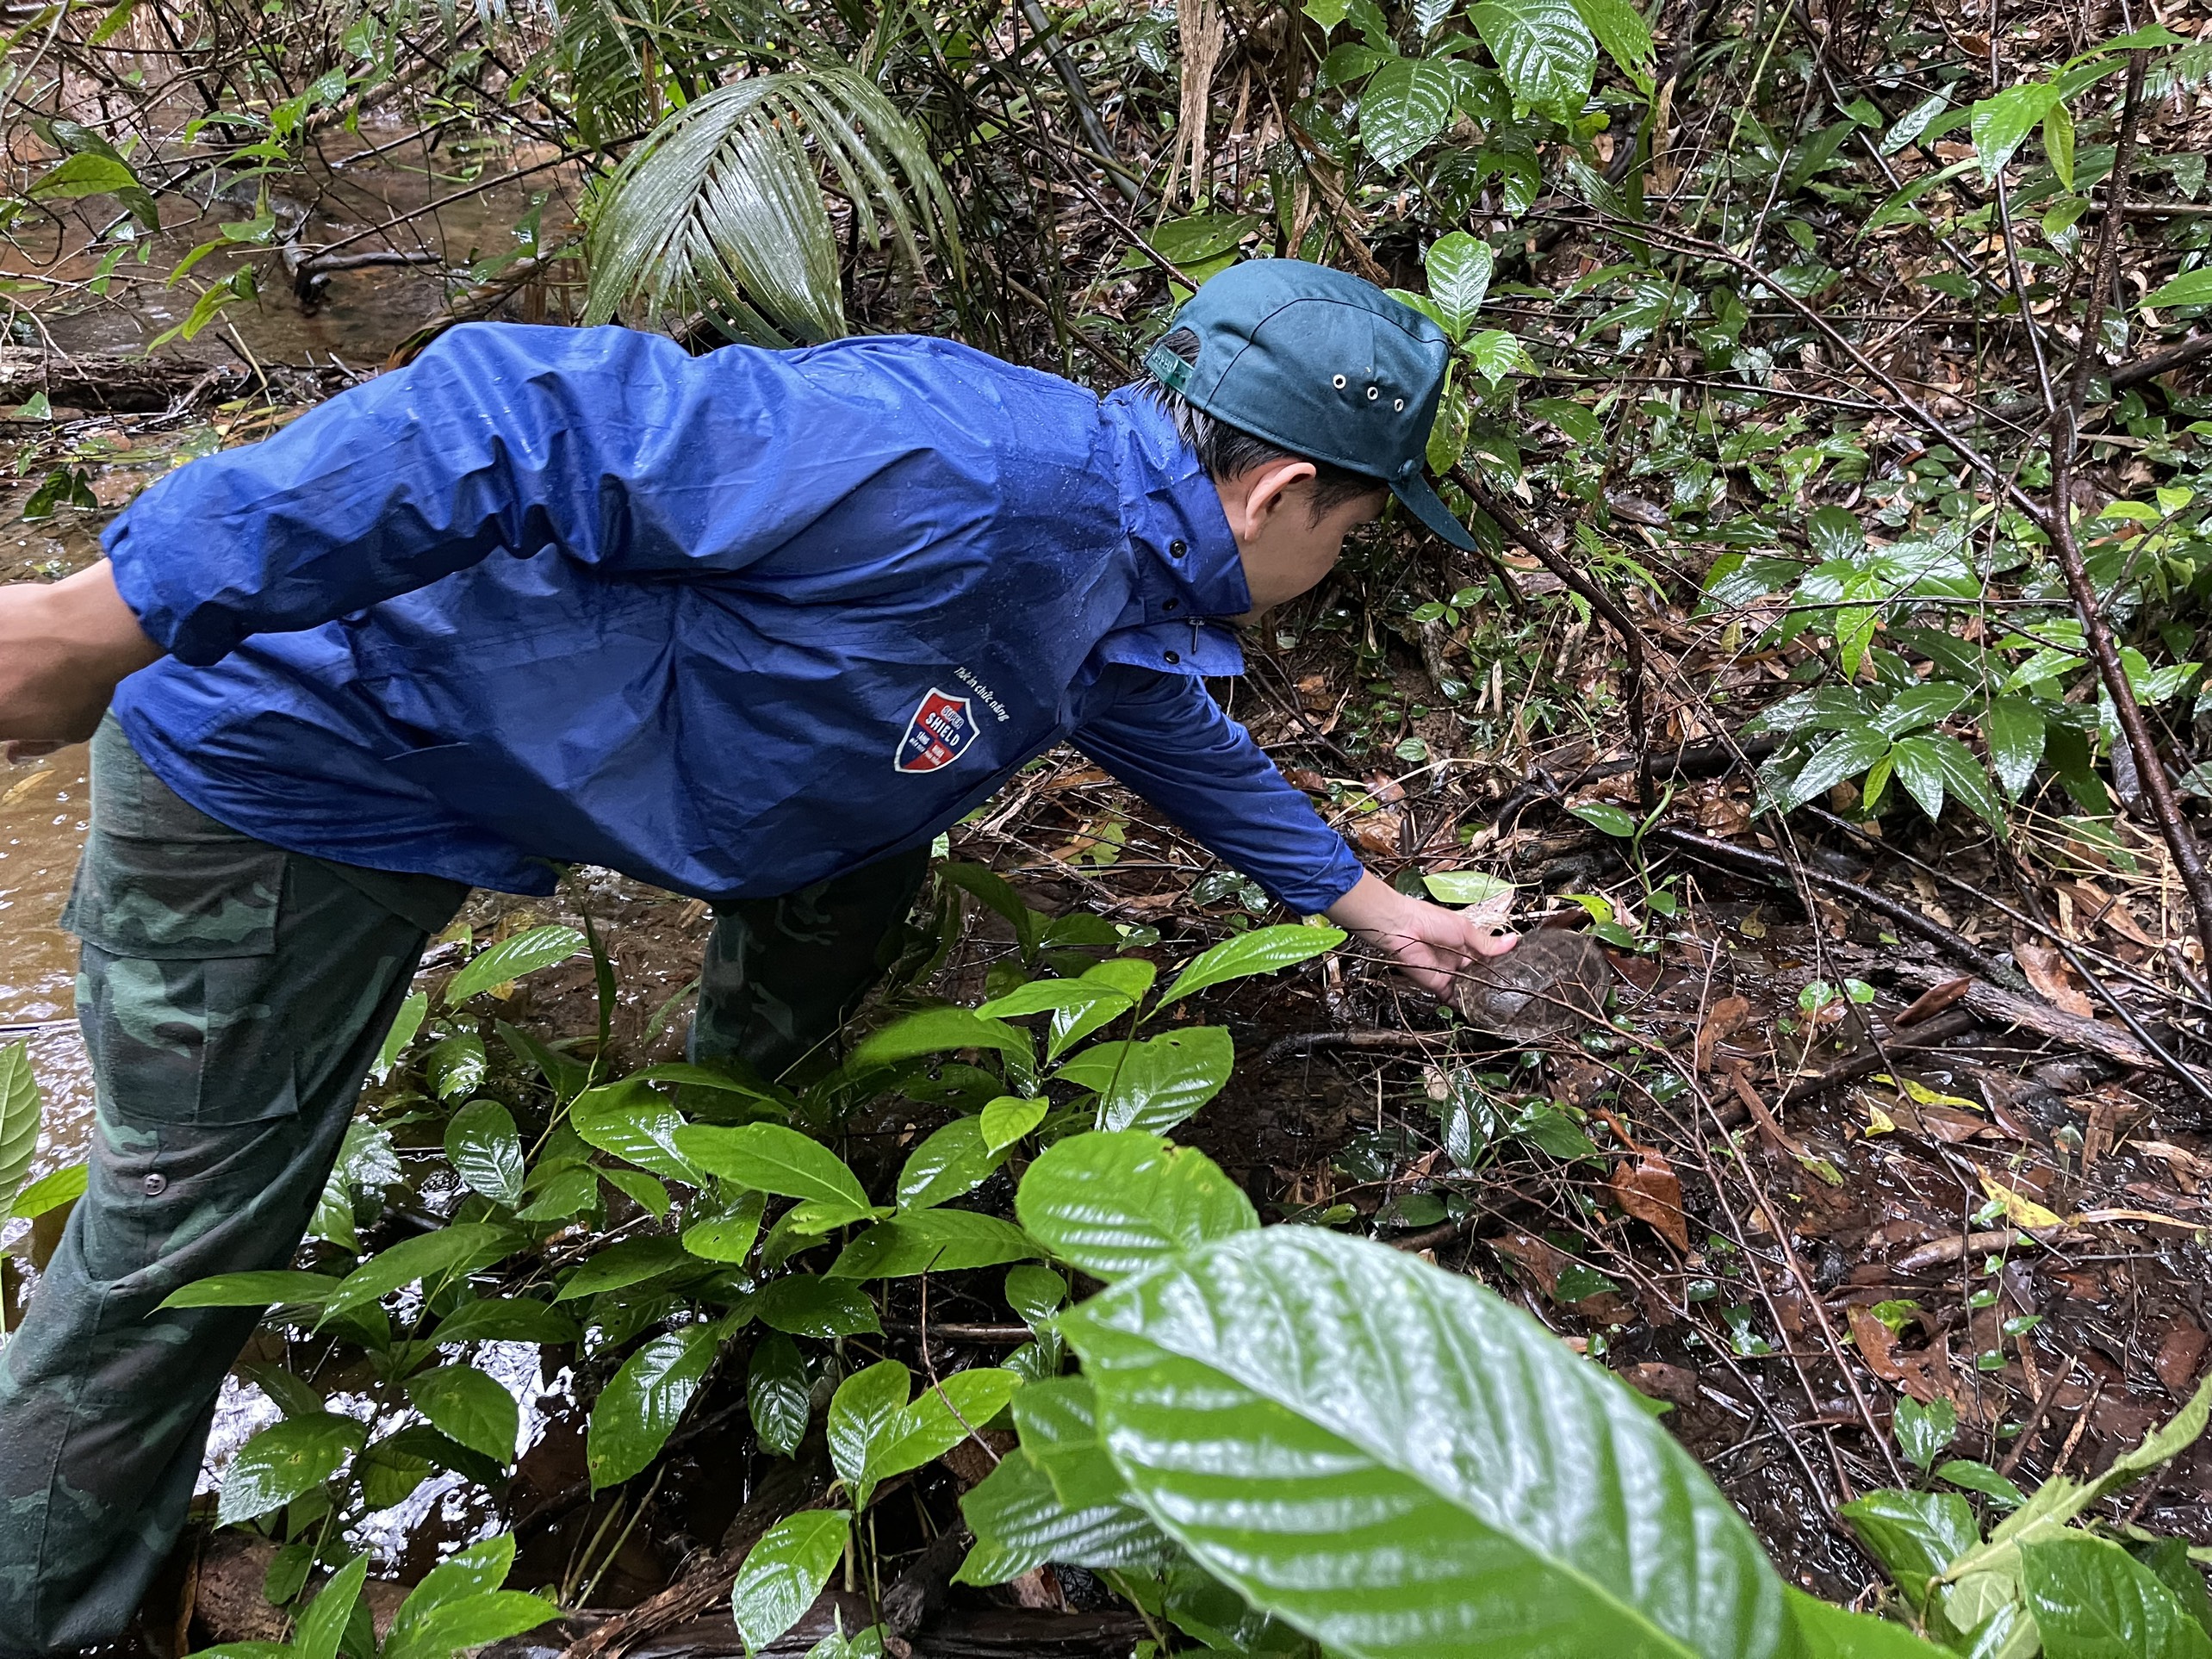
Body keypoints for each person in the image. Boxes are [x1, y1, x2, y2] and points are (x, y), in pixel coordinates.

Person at [0, 258, 1516, 1651]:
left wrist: (1372, 906)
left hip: (477, 765)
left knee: (868, 847)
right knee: (177, 1242)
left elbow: (1149, 716)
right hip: (295, 763)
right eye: (1356, 535)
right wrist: (101, 614)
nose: (1342, 563)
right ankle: (39, 1605)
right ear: (1281, 492)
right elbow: (511, 411)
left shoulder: (1113, 555)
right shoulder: (963, 466)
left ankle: (723, 1195)